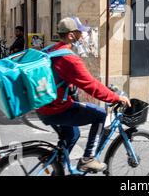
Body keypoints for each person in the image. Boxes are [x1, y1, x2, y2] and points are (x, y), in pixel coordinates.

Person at [36, 17, 131, 172]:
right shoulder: (69, 58)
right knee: (100, 114)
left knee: (72, 134)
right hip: (57, 109)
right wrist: (116, 97)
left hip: (43, 106)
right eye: (79, 32)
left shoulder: (52, 49)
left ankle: (56, 166)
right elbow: (91, 86)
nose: (82, 36)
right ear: (71, 35)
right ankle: (88, 159)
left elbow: (62, 78)